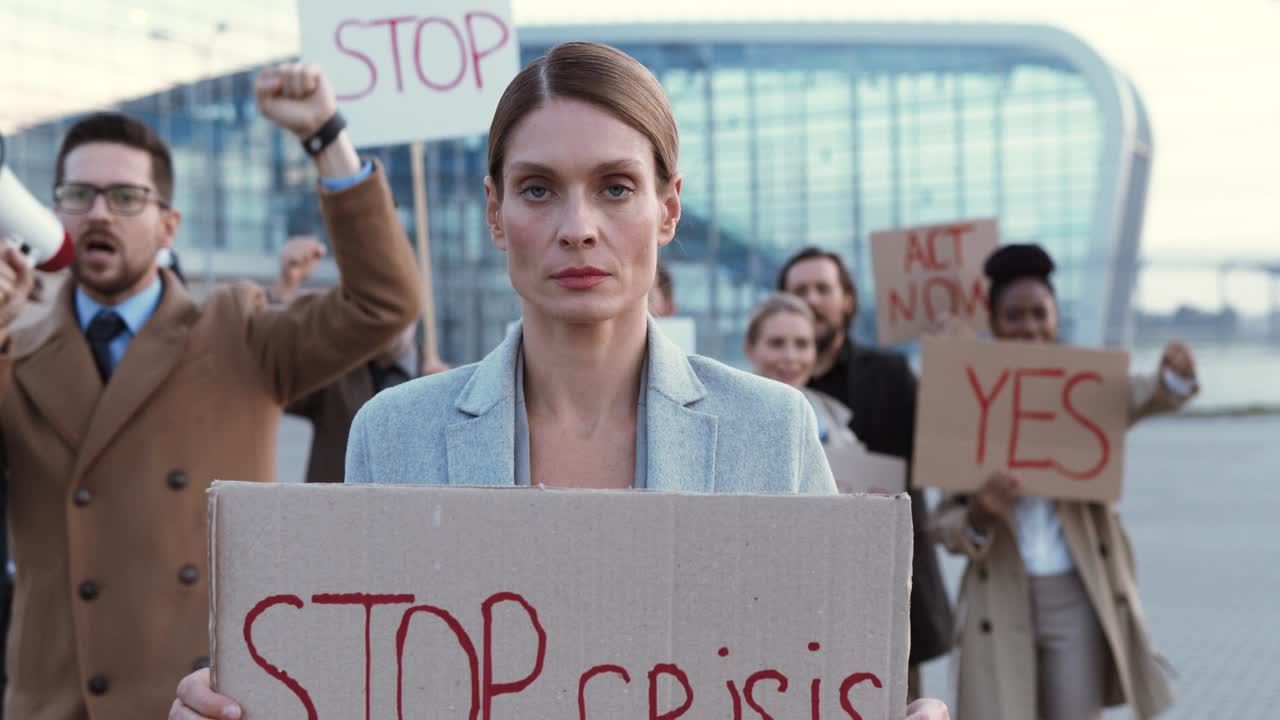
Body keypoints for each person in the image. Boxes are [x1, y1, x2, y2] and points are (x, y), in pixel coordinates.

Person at [170, 42, 950, 720]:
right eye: (539, 189)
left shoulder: (770, 428)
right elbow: (361, 676)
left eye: (616, 187)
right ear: (496, 212)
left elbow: (813, 665)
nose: (578, 225)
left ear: (668, 208)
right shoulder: (394, 430)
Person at [0, 63, 421, 720]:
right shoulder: (14, 352)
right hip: (51, 704)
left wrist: (324, 136)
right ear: (55, 212)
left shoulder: (237, 330)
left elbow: (384, 303)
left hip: (203, 702)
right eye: (78, 194)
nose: (99, 213)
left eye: (126, 197)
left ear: (169, 226)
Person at [929, 244, 1195, 720]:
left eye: (1040, 313)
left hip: (1075, 594)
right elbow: (943, 525)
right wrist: (979, 516)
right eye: (1014, 316)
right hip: (1000, 593)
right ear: (993, 321)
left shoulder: (1081, 383)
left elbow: (1138, 394)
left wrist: (1172, 379)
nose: (1029, 327)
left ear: (1056, 317)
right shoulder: (968, 395)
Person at [779, 247, 954, 696]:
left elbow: (944, 443)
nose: (812, 299)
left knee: (896, 701)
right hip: (796, 588)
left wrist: (953, 365)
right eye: (800, 290)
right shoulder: (766, 388)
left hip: (888, 583)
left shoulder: (892, 375)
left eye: (823, 288)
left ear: (848, 300)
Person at [271, 235, 418, 484]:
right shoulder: (335, 373)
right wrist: (285, 289)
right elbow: (274, 371)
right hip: (334, 518)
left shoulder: (437, 380)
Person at [744, 292, 864, 460]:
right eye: (777, 343)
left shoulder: (835, 420)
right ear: (750, 349)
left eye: (802, 344)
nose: (791, 356)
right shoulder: (722, 421)